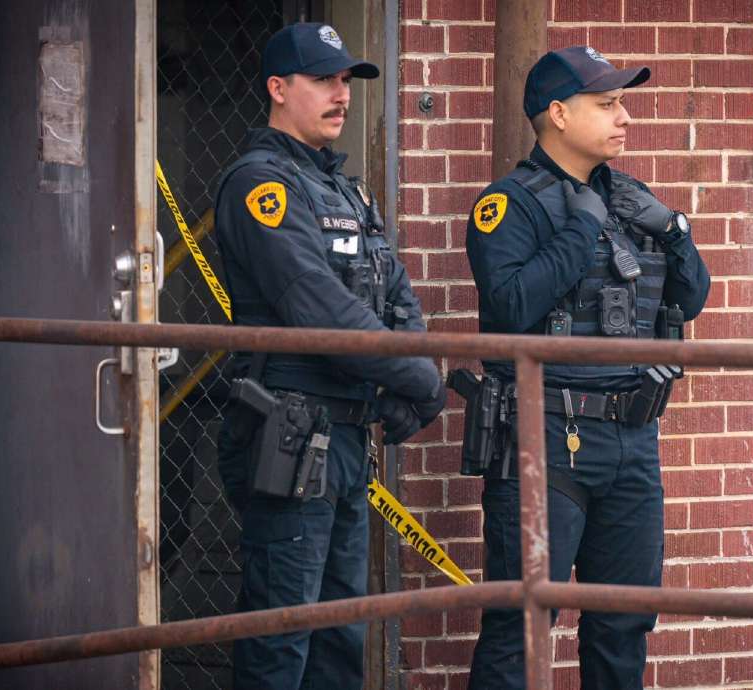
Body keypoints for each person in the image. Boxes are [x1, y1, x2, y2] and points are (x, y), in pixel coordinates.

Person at [463, 46, 711, 690]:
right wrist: (581, 231)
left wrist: (677, 230)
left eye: (622, 102)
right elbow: (511, 304)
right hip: (547, 443)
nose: (623, 117)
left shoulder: (633, 197)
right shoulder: (508, 205)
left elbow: (691, 299)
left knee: (624, 625)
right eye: (607, 104)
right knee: (520, 630)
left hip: (633, 441)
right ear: (558, 115)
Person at [212, 23, 445, 690]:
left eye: (346, 80)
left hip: (344, 434)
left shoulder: (347, 192)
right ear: (278, 89)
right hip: (289, 434)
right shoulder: (261, 185)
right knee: (282, 631)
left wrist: (407, 383)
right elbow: (315, 305)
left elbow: (397, 294)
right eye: (324, 80)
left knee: (342, 634)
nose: (341, 94)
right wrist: (420, 378)